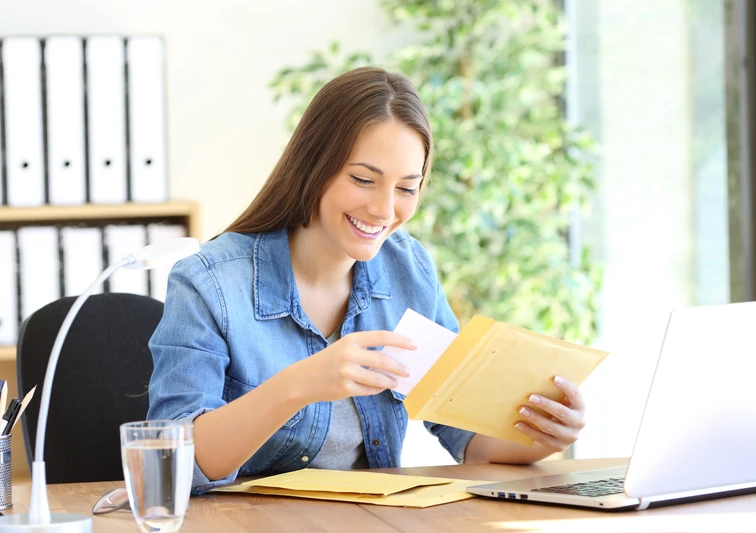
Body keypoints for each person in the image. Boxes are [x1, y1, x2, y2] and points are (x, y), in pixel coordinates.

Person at [147, 66, 587, 495]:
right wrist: (300, 385)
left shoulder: (408, 269)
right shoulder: (209, 284)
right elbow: (171, 465)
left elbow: (463, 432)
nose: (384, 210)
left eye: (407, 188)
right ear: (314, 166)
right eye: (363, 179)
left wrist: (544, 435)